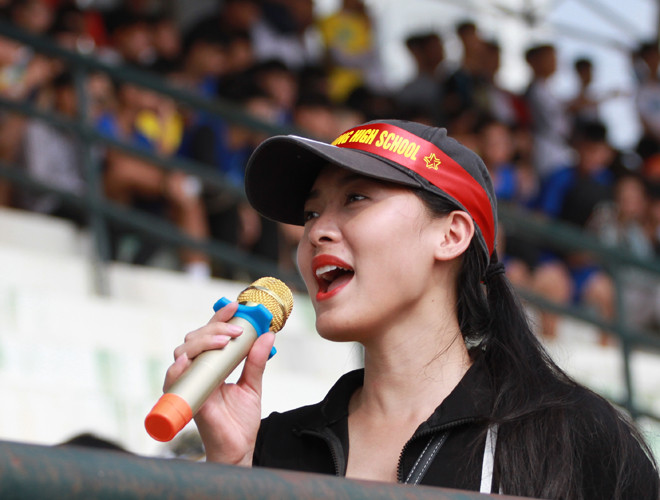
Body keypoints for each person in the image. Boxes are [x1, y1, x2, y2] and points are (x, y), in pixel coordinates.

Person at [162, 119, 659, 497]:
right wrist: (232, 472)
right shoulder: (273, 446)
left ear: (452, 234)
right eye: (311, 212)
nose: (316, 232)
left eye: (356, 198)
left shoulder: (571, 437)